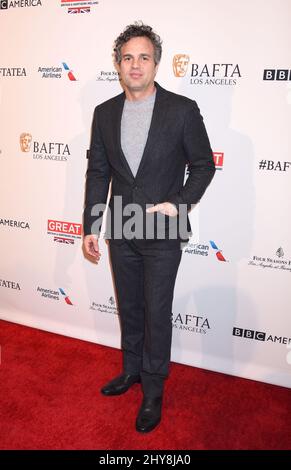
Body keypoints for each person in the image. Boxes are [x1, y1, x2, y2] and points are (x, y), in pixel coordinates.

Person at [83, 22, 215, 433]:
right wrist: (92, 223)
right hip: (121, 227)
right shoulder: (104, 113)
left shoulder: (182, 109)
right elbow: (99, 171)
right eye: (127, 57)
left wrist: (178, 204)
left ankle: (154, 389)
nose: (135, 64)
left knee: (157, 311)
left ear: (156, 63)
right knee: (131, 307)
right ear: (118, 65)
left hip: (162, 231)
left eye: (143, 57)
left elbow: (204, 166)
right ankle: (132, 371)